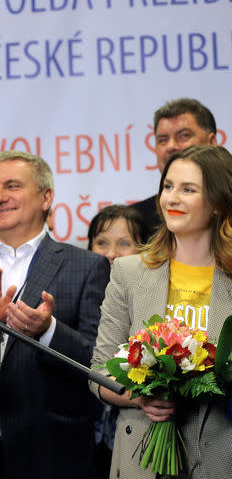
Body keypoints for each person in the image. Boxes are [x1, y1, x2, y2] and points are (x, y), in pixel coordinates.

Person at [0, 150, 110, 479]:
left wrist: (48, 330)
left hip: (54, 452)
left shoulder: (87, 266)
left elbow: (99, 362)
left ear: (46, 197)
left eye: (12, 186)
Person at [90, 145, 232, 479]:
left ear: (216, 203)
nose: (171, 198)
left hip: (220, 454)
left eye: (188, 189)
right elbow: (98, 371)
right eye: (167, 187)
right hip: (141, 457)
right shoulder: (128, 272)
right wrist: (137, 396)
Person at [85, 204, 146, 479]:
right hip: (85, 433)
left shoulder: (147, 299)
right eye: (101, 243)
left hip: (134, 434)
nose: (111, 254)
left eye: (124, 244)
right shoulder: (81, 293)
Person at [132, 98, 217, 242]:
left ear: (212, 142)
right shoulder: (135, 220)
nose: (171, 146)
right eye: (163, 139)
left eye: (184, 136)